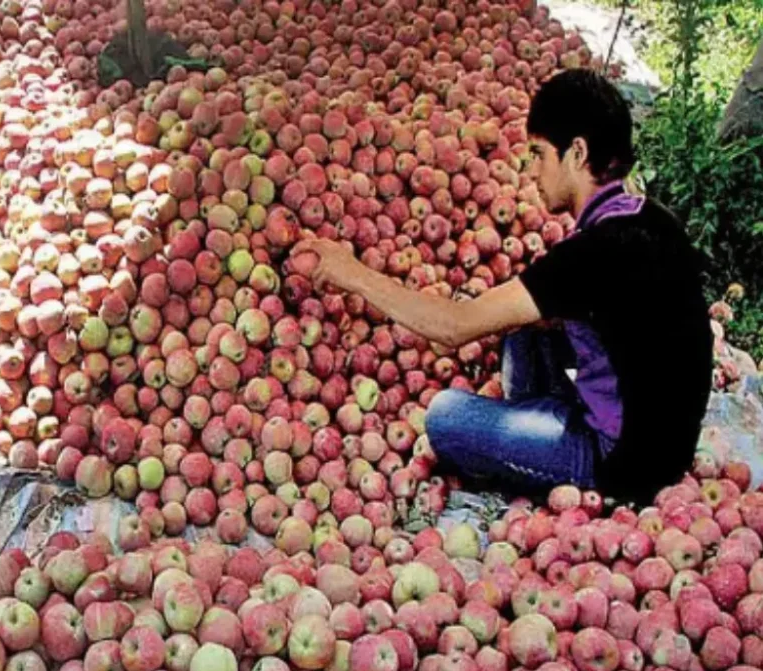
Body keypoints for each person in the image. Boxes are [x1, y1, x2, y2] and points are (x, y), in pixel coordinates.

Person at [294, 69, 713, 505]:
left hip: (621, 465)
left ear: (577, 152)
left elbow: (454, 329)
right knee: (522, 328)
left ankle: (544, 446)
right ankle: (535, 425)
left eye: (538, 154)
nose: (531, 171)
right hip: (665, 442)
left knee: (445, 417)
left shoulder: (591, 254)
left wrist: (352, 274)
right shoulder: (651, 219)